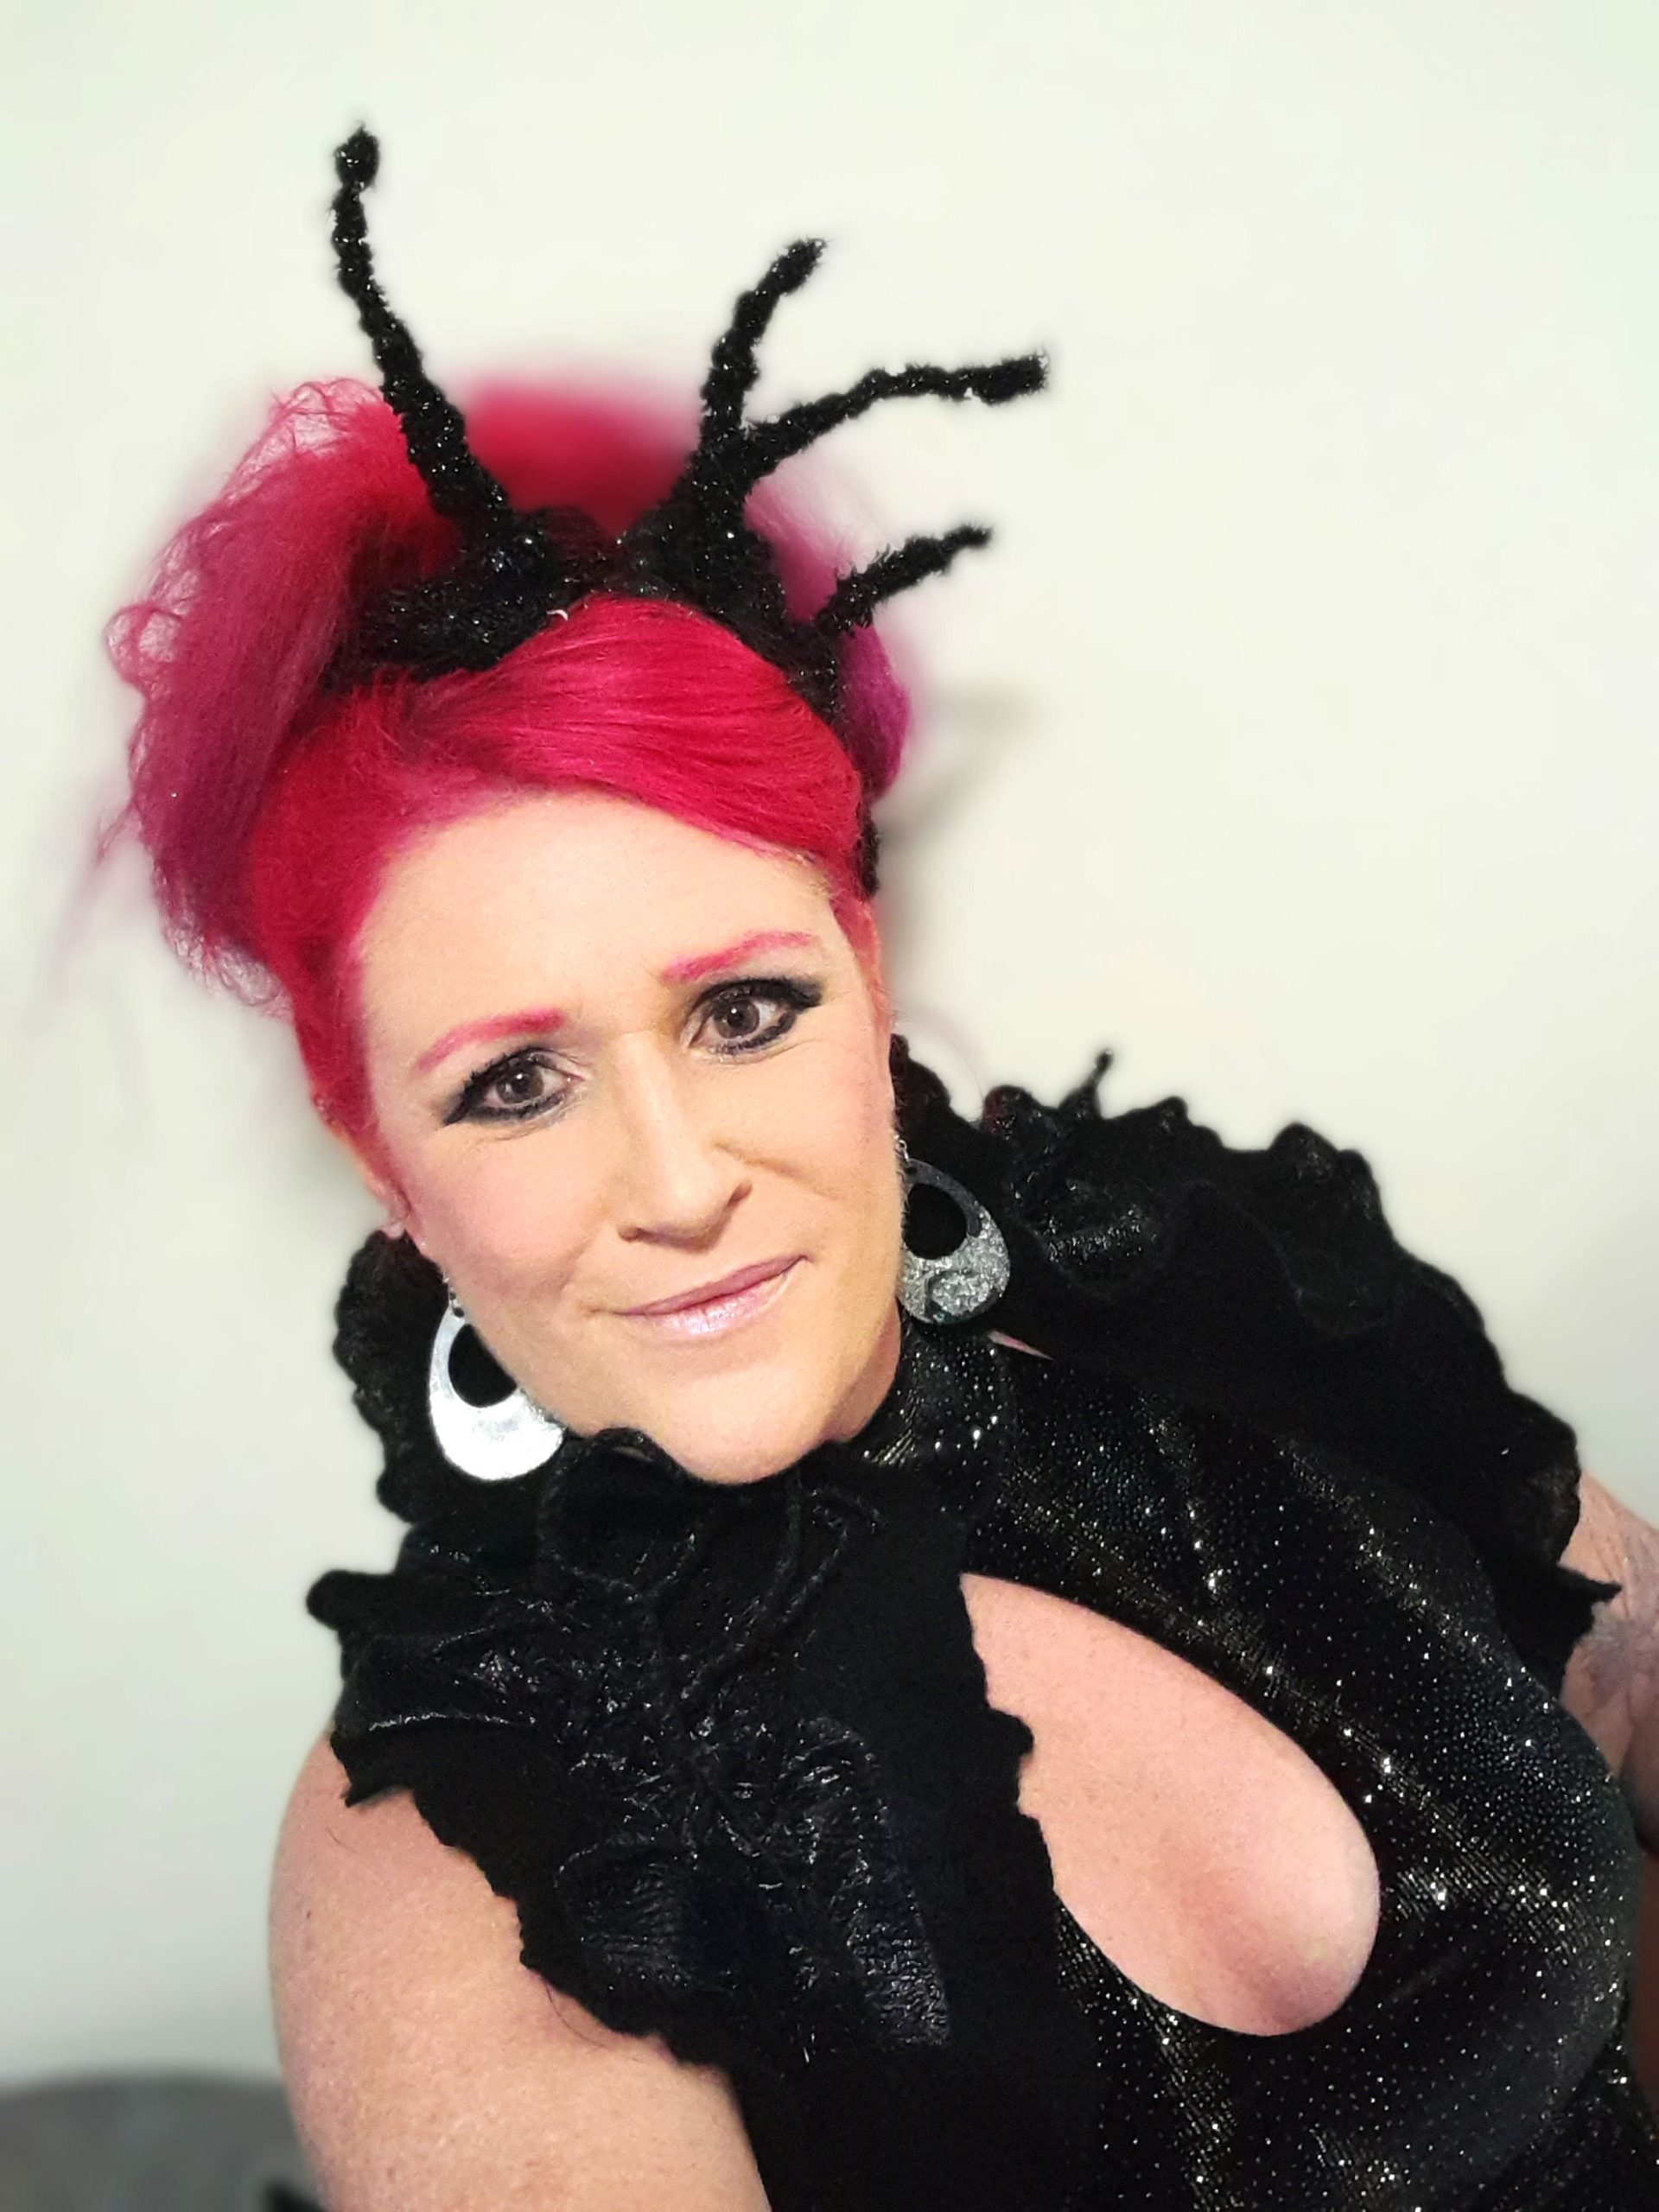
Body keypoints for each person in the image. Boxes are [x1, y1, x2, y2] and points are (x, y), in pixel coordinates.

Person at [102, 128, 1659, 2210]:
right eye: (516, 1085)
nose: (679, 1178)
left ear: (867, 975)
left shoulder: (1187, 1294)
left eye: (743, 1011)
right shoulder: (454, 1856)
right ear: (378, 1158)